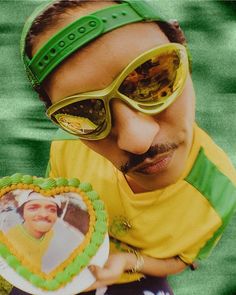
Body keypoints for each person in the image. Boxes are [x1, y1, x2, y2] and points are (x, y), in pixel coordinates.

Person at [13, 0, 236, 294]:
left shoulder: (220, 191)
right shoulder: (66, 146)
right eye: (83, 113)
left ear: (186, 52)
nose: (137, 141)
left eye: (152, 78)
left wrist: (129, 262)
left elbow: (179, 259)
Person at [6, 191, 62, 273]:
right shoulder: (11, 239)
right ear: (22, 212)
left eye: (52, 210)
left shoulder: (50, 233)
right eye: (33, 208)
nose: (44, 214)